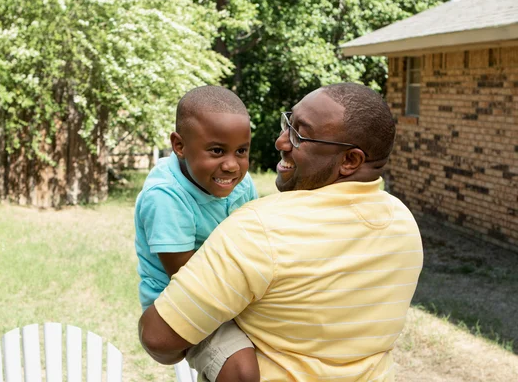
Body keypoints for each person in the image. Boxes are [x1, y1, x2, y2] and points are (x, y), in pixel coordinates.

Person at [139, 82, 424, 381]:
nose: (280, 141)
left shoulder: (260, 229)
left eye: (300, 135)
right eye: (288, 123)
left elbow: (159, 338)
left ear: (350, 161)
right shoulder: (403, 223)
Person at [134, 85, 260, 382]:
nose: (231, 165)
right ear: (179, 146)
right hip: (182, 300)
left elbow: (256, 240)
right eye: (217, 151)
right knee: (240, 369)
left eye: (241, 151)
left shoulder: (240, 184)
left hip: (232, 289)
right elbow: (189, 278)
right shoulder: (166, 196)